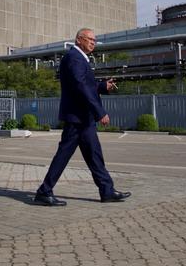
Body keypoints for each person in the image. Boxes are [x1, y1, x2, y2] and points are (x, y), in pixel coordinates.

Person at [34, 28, 131, 206]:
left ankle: (107, 191)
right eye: (90, 39)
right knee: (64, 155)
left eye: (95, 40)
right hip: (77, 117)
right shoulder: (74, 58)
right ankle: (44, 191)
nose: (93, 42)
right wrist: (99, 112)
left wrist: (102, 86)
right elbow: (80, 86)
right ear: (79, 40)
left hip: (83, 118)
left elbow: (87, 85)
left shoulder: (80, 59)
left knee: (94, 155)